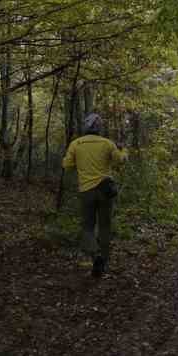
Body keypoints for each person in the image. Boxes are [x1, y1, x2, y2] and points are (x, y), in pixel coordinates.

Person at [62, 112, 127, 276]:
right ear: (99, 128)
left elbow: (67, 165)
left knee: (87, 227)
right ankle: (103, 261)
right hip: (106, 190)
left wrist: (77, 162)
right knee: (105, 226)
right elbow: (120, 160)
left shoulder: (76, 144)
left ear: (86, 126)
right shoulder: (107, 143)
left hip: (86, 191)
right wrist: (123, 150)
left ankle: (95, 255)